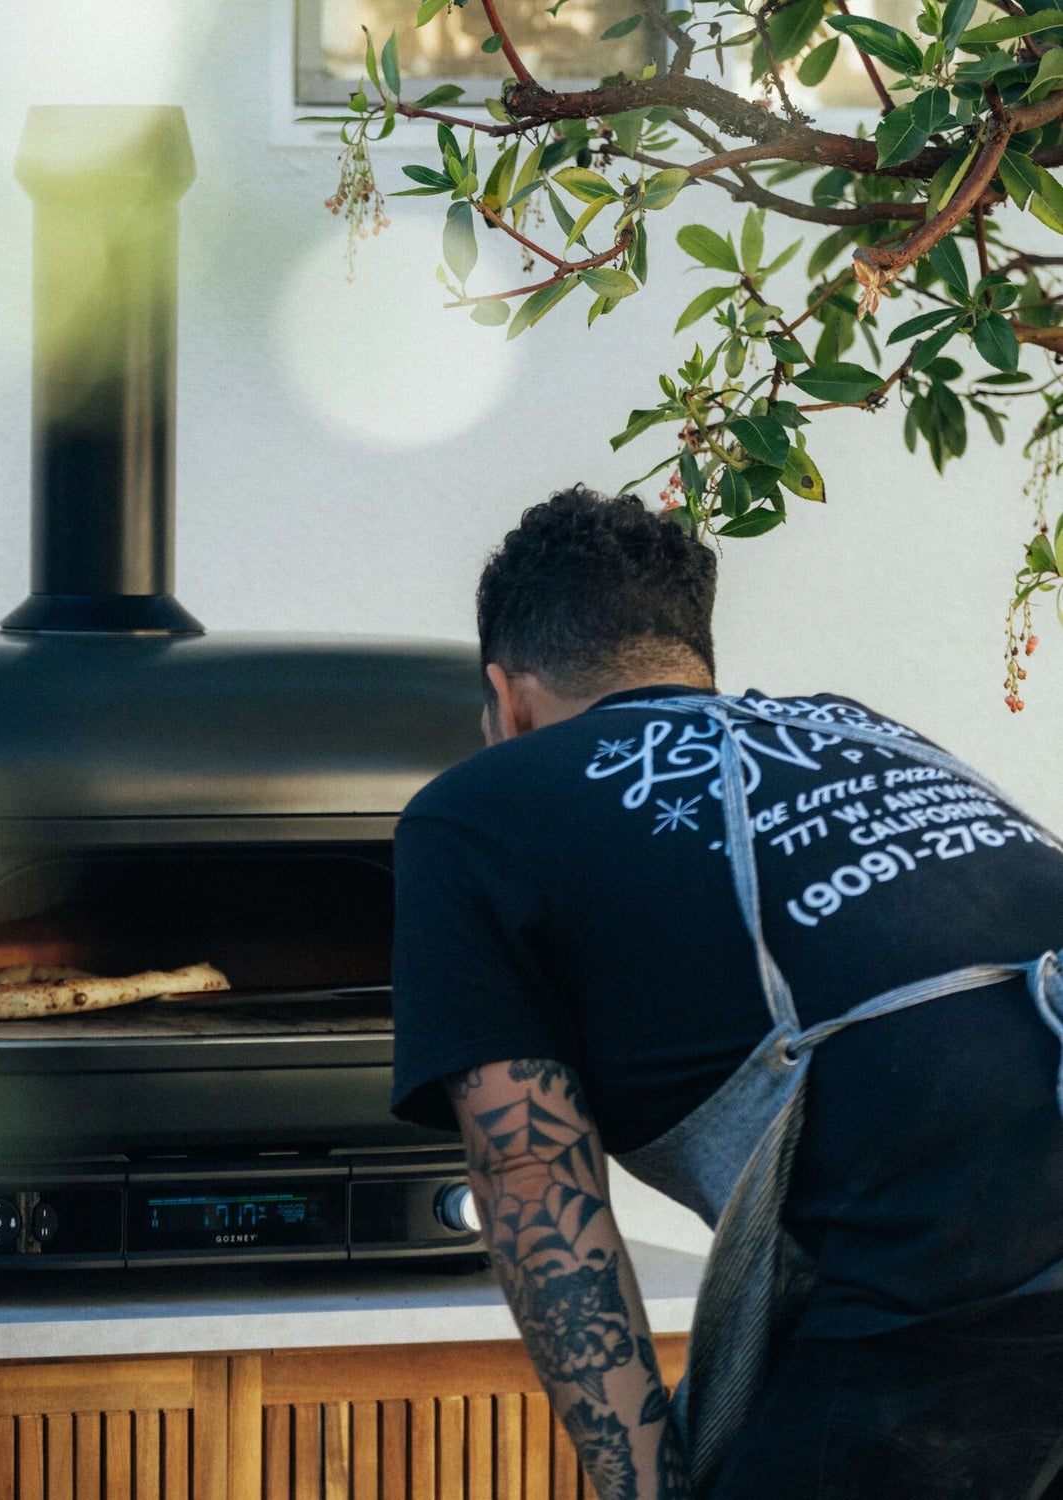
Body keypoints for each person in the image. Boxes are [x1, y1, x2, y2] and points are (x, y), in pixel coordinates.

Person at [390, 485, 1063, 1500]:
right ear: (693, 663)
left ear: (508, 696)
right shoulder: (853, 730)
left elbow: (530, 1177)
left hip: (952, 1250)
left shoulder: (474, 808)